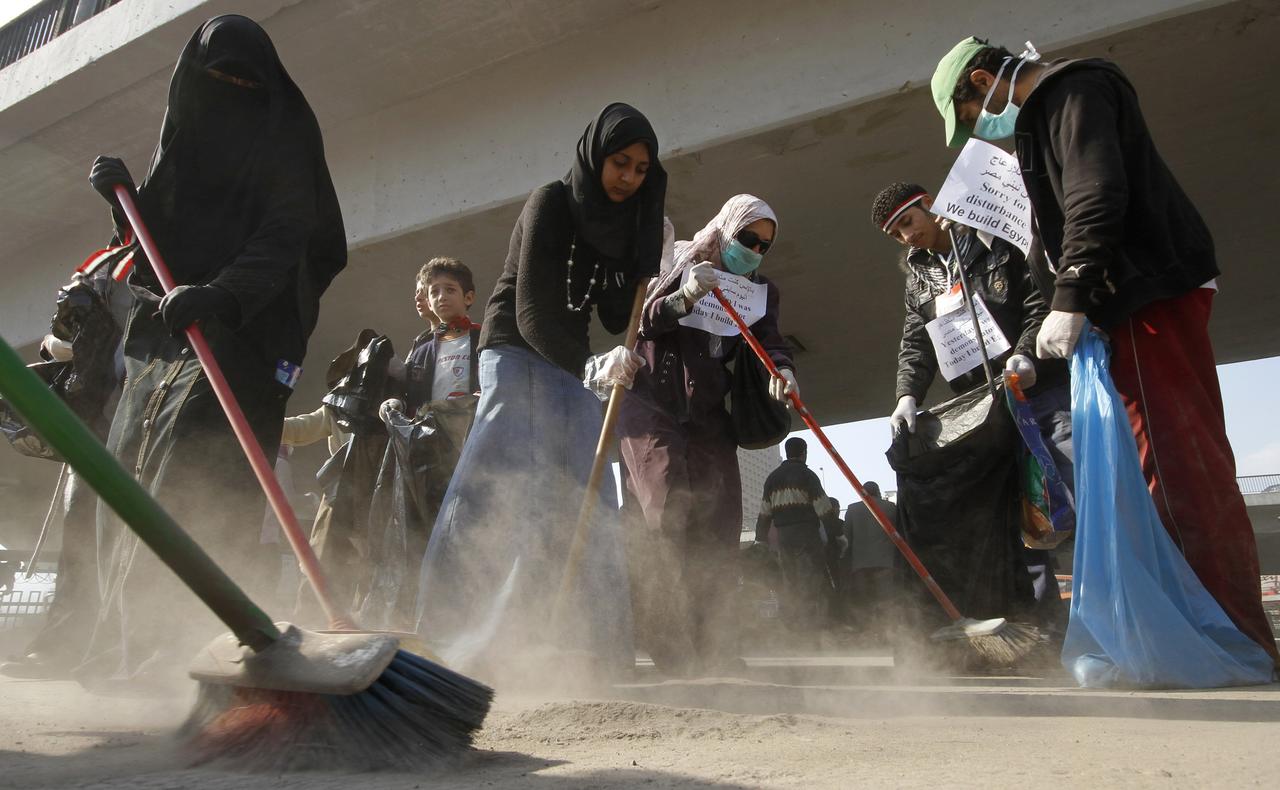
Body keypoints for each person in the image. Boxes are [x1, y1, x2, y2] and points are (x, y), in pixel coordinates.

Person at [932, 37, 1278, 662]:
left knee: (1170, 469)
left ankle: (1226, 637)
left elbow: (1095, 197)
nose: (982, 131)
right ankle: (1223, 629)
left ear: (982, 81)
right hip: (1139, 299)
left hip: (1142, 298)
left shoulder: (1071, 93)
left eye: (971, 116)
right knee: (1178, 460)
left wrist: (1071, 297)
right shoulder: (1058, 107)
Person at [79, 15, 346, 684]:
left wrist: (220, 295)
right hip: (169, 336)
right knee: (131, 481)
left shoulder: (284, 132)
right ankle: (125, 648)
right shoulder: (185, 138)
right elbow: (152, 252)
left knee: (201, 479)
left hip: (251, 332)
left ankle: (200, 651)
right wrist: (123, 205)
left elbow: (288, 237)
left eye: (244, 82)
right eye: (219, 80)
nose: (232, 92)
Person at [414, 103, 667, 685]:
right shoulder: (551, 201)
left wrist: (641, 263)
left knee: (588, 494)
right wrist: (593, 366)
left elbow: (605, 312)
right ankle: (462, 641)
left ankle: (591, 649)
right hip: (518, 352)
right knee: (504, 493)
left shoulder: (623, 222)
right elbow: (530, 310)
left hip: (572, 362)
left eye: (640, 169)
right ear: (596, 155)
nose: (628, 177)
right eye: (619, 162)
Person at [871, 181, 1068, 633]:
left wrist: (1025, 354)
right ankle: (1036, 628)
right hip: (983, 409)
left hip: (1034, 391)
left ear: (930, 206)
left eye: (908, 221)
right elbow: (916, 345)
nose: (906, 237)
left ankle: (1080, 620)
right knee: (1004, 518)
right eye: (895, 234)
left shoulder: (992, 239)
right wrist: (906, 397)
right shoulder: (919, 278)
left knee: (1053, 503)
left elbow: (1037, 299)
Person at [618, 194, 794, 677]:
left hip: (710, 416)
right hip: (653, 407)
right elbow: (641, 323)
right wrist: (683, 297)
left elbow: (770, 341)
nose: (754, 250)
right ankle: (670, 645)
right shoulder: (681, 263)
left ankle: (713, 642)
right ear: (725, 230)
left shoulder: (759, 292)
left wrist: (783, 370)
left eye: (764, 245)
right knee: (668, 512)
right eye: (747, 238)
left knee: (717, 524)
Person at [357, 257, 483, 629]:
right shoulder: (423, 347)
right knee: (425, 529)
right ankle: (427, 614)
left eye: (450, 290)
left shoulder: (481, 337)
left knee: (467, 529)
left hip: (469, 449)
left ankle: (467, 613)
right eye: (434, 292)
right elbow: (411, 393)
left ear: (469, 296)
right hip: (427, 454)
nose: (441, 297)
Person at [754, 438, 839, 635]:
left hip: (784, 536)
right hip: (806, 533)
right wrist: (837, 533)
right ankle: (815, 624)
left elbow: (764, 511)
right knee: (813, 576)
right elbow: (823, 507)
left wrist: (761, 538)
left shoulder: (772, 479)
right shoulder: (807, 475)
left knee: (790, 579)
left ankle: (793, 625)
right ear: (804, 452)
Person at [843, 482, 899, 638]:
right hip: (885, 562)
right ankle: (887, 631)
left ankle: (868, 631)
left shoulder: (852, 509)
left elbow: (846, 538)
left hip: (860, 564)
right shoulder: (890, 508)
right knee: (885, 599)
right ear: (878, 492)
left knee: (865, 600)